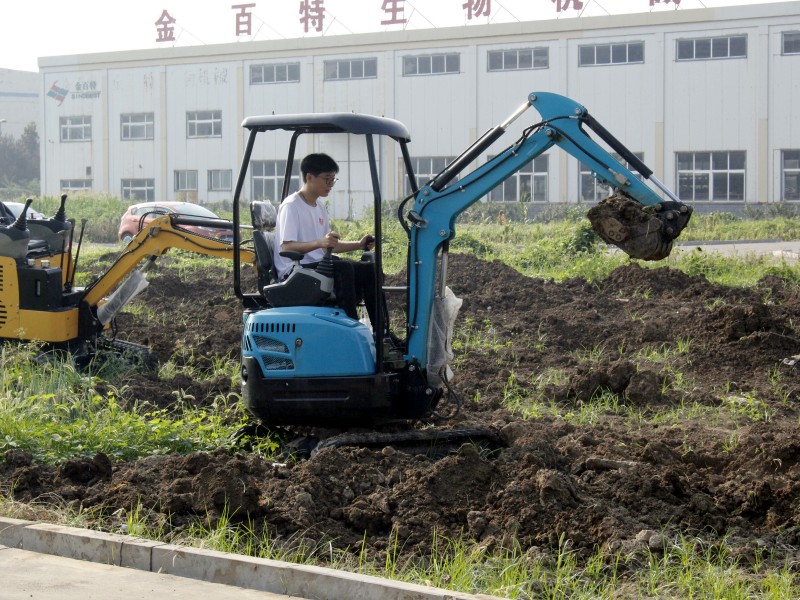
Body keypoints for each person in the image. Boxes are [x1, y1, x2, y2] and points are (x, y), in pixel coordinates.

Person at [273, 153, 377, 325]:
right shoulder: (292, 206)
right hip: (295, 270)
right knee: (343, 268)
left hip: (315, 265)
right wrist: (319, 243)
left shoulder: (319, 206)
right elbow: (287, 247)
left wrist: (358, 245)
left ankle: (381, 333)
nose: (330, 185)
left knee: (368, 270)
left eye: (333, 180)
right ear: (309, 177)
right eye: (327, 179)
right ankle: (351, 325)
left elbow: (328, 247)